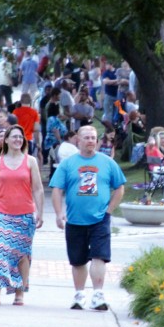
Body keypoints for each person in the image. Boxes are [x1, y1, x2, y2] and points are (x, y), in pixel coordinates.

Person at [49, 125, 126, 311]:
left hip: (100, 219)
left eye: (93, 138)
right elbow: (57, 190)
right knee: (78, 260)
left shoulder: (107, 163)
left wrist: (109, 210)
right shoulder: (68, 164)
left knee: (99, 256)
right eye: (87, 138)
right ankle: (80, 294)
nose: (91, 141)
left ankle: (98, 294)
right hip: (75, 220)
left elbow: (120, 187)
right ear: (78, 140)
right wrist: (59, 214)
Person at [0, 125, 45, 306]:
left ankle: (20, 293)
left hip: (25, 215)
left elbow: (38, 188)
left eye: (20, 137)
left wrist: (40, 212)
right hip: (2, 212)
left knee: (22, 255)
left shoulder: (30, 161)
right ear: (6, 140)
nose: (18, 140)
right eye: (14, 137)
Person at [12, 93, 41, 159]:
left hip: (17, 139)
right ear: (30, 101)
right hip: (28, 140)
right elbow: (36, 129)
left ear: (21, 101)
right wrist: (38, 143)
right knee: (27, 160)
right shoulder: (34, 113)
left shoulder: (15, 112)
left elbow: (12, 126)